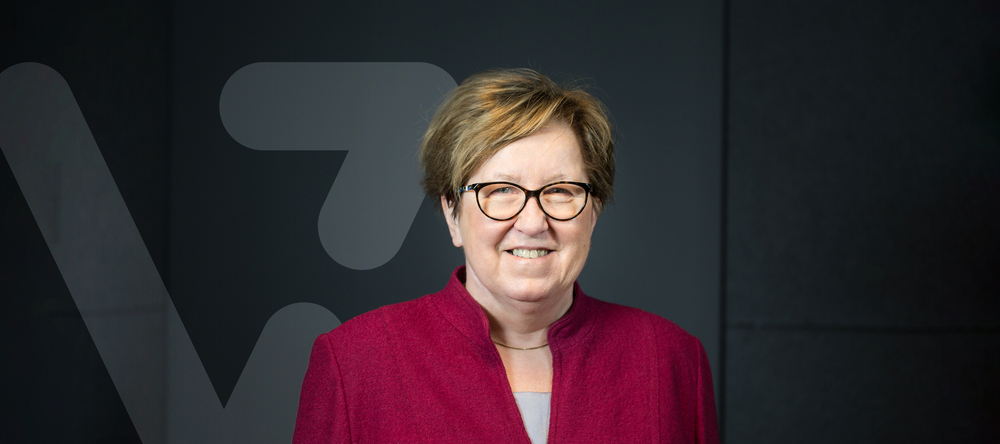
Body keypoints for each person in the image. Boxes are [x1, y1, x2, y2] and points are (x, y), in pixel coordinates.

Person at [292, 68, 719, 444]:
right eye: (500, 191)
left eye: (561, 191)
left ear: (594, 210)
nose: (533, 222)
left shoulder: (670, 359)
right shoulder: (356, 362)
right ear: (452, 214)